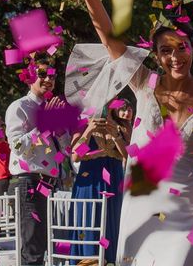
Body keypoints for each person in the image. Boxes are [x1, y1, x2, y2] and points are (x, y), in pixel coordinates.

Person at [64, 0, 193, 266]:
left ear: (192, 49)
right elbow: (109, 38)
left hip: (190, 203)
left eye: (181, 48)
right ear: (157, 55)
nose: (175, 57)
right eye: (166, 50)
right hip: (144, 198)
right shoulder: (144, 84)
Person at [6, 58, 70, 266]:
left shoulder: (55, 108)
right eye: (42, 74)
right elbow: (16, 147)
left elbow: (67, 151)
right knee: (33, 247)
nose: (48, 79)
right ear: (30, 77)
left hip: (52, 183)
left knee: (50, 244)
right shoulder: (19, 107)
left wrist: (60, 132)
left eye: (52, 74)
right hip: (29, 182)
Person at [68, 99, 132, 264]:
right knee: (89, 220)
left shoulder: (123, 125)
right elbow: (75, 156)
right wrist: (88, 130)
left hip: (114, 179)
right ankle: (88, 260)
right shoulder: (83, 122)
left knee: (112, 221)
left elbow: (129, 155)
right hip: (90, 179)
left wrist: (116, 135)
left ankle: (110, 261)